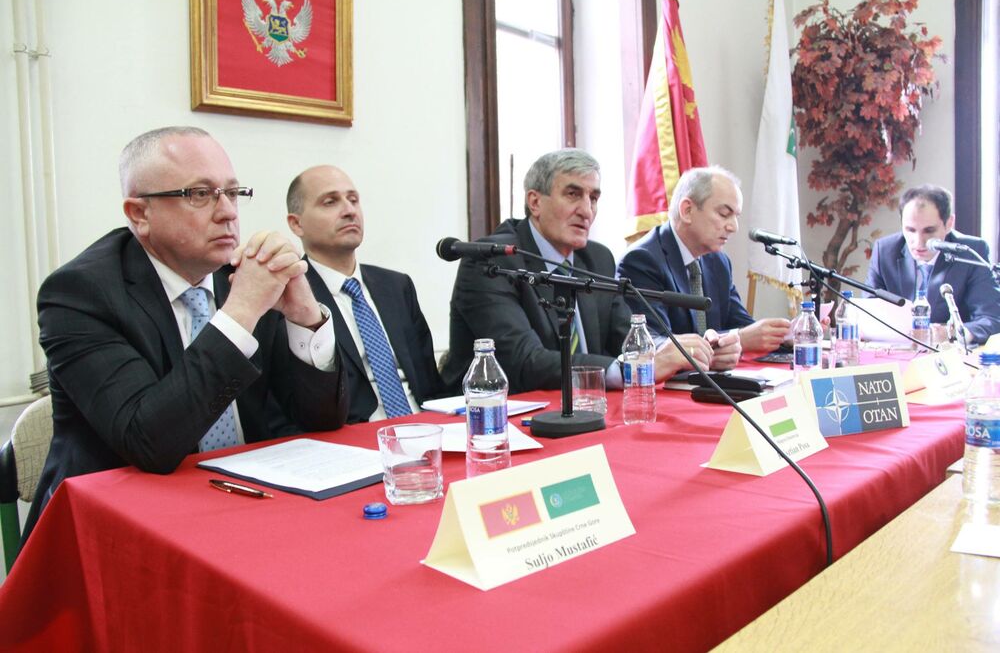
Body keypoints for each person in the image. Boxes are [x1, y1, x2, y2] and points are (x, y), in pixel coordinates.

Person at [26, 126, 348, 543]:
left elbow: (322, 421)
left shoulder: (241, 275)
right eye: (200, 194)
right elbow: (149, 442)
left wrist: (305, 318)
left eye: (233, 193)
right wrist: (241, 312)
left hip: (243, 508)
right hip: (115, 527)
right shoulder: (79, 294)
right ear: (139, 213)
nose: (228, 212)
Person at [441, 148, 727, 395]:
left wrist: (685, 351)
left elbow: (625, 337)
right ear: (535, 202)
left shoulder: (597, 258)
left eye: (593, 198)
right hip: (497, 419)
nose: (586, 211)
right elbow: (525, 362)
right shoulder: (492, 262)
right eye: (573, 194)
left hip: (586, 407)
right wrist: (629, 370)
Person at [286, 165, 446, 423]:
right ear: (296, 224)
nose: (349, 211)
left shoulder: (396, 286)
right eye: (330, 202)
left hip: (426, 428)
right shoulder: (290, 297)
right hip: (355, 441)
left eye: (353, 200)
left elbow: (431, 383)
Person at [617, 166, 790, 353]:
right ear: (687, 210)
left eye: (735, 216)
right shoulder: (642, 261)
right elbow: (654, 343)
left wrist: (788, 336)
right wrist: (738, 339)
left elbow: (742, 326)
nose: (733, 227)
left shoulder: (718, 262)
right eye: (724, 214)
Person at [865, 184, 1000, 344]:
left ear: (949, 223)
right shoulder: (885, 251)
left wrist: (952, 332)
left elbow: (991, 318)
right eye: (910, 230)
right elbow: (869, 315)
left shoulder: (970, 252)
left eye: (929, 231)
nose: (919, 241)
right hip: (896, 352)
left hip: (950, 357)